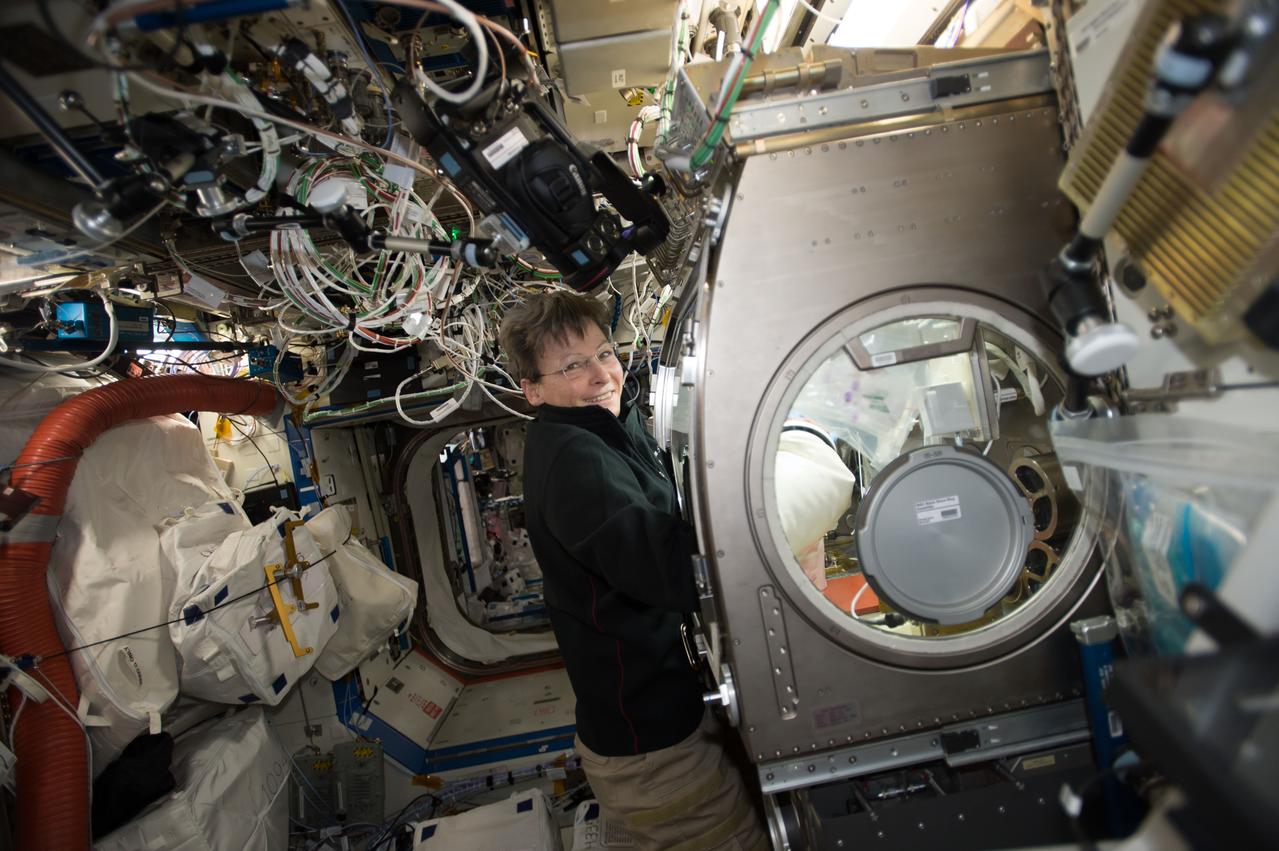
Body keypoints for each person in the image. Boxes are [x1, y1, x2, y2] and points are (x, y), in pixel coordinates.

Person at [500, 290, 767, 851]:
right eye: (573, 366)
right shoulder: (574, 458)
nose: (601, 375)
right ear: (532, 390)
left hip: (663, 723)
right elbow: (673, 567)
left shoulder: (608, 429)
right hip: (653, 751)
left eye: (604, 353)